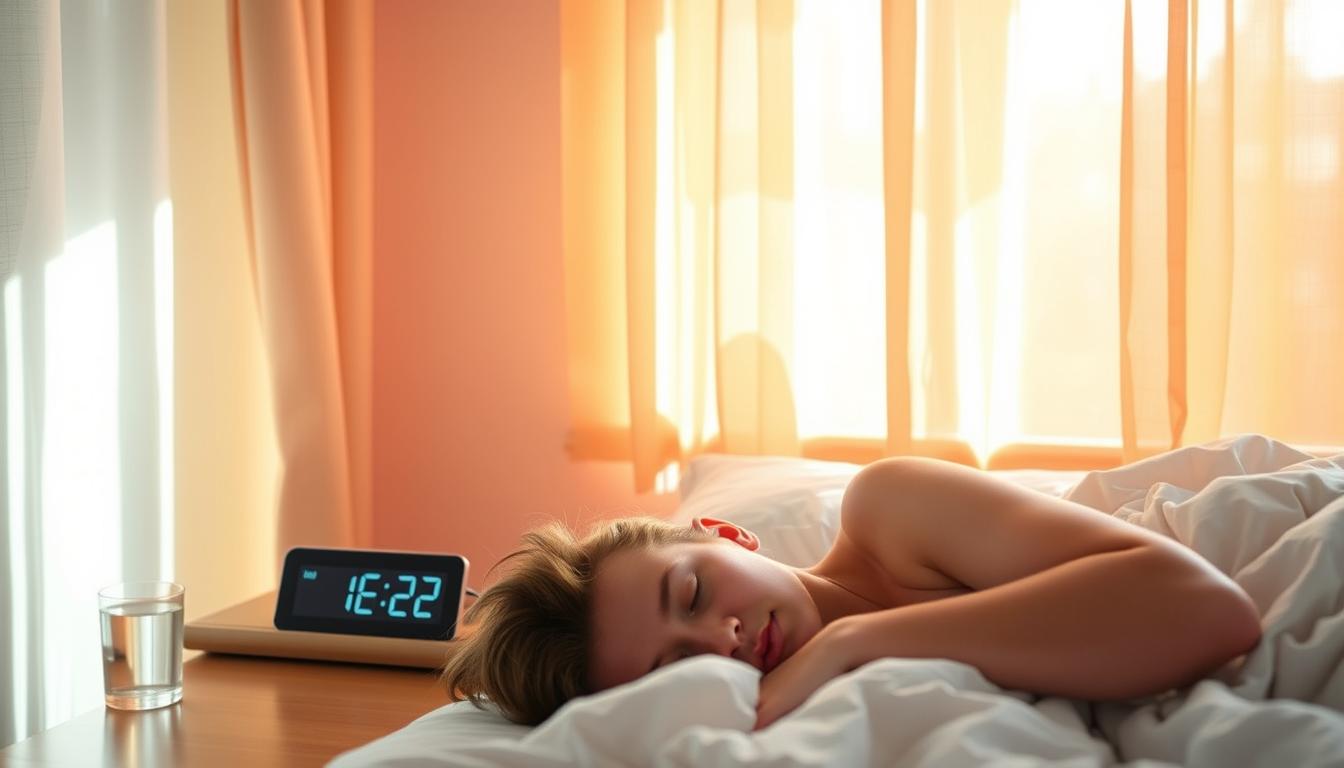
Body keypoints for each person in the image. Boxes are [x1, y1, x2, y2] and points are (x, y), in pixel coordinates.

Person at [439, 456, 1262, 729]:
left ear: (725, 534)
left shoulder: (890, 511)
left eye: (691, 594)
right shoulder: (790, 717)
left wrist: (851, 641)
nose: (721, 639)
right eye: (674, 667)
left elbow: (1212, 611)